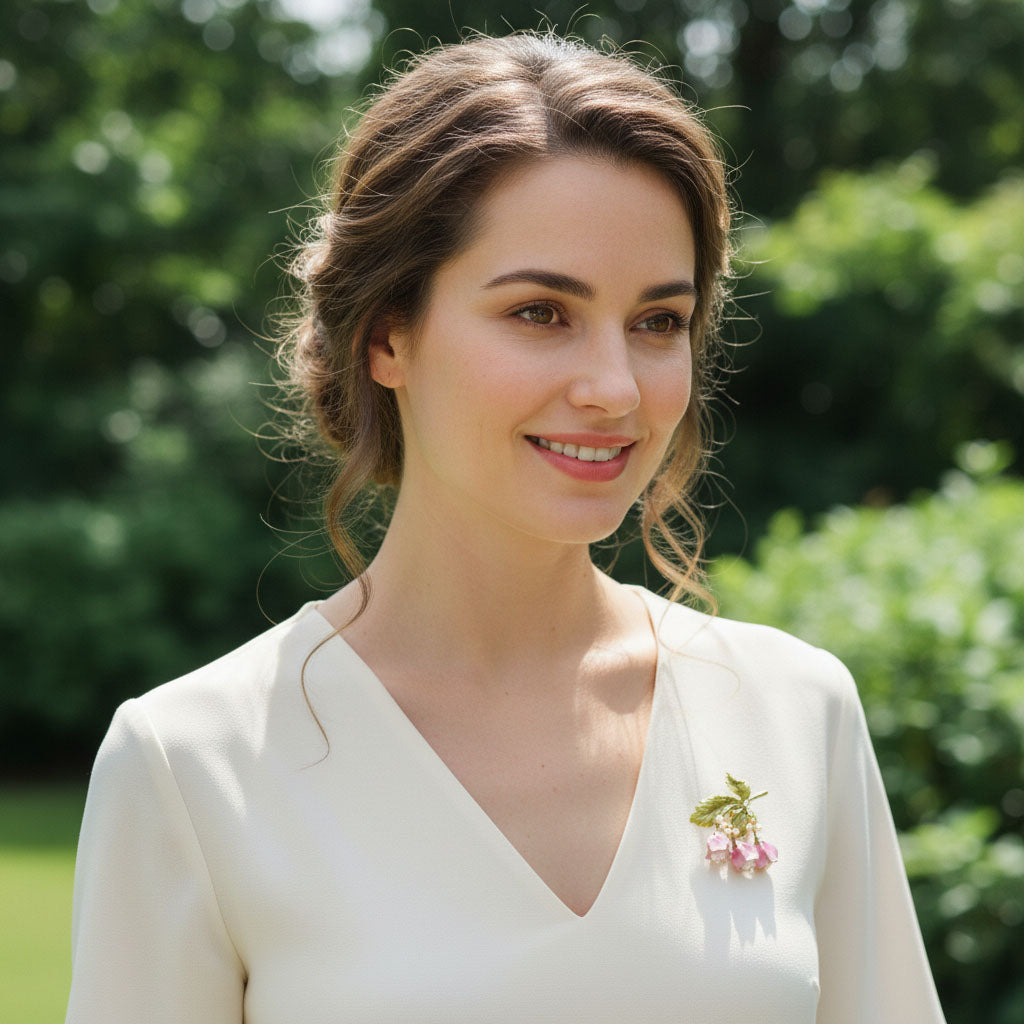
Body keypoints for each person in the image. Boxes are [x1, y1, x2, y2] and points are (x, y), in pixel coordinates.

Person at [65, 31, 946, 1024]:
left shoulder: (794, 711)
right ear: (387, 335)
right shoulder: (189, 764)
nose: (614, 388)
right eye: (540, 312)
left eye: (658, 321)